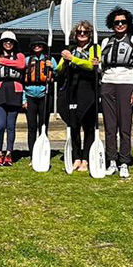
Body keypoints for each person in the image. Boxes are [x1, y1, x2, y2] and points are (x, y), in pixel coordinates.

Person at [99, 8, 133, 178]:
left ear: (128, 23)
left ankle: (124, 162)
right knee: (110, 127)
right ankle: (112, 161)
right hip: (108, 84)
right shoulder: (105, 42)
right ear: (112, 24)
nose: (119, 25)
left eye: (123, 22)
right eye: (116, 22)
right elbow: (101, 68)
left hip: (126, 84)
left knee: (125, 127)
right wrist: (97, 65)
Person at [58, 22, 101, 172]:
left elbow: (91, 65)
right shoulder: (71, 49)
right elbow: (59, 69)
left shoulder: (95, 48)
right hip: (72, 90)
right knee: (73, 125)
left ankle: (86, 159)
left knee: (88, 127)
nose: (81, 35)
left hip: (89, 91)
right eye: (79, 33)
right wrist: (64, 60)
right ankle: (76, 157)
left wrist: (73, 59)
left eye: (85, 32)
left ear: (89, 34)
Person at [0, 31, 26, 165]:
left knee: (11, 125)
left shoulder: (19, 56)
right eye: (6, 41)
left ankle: (9, 153)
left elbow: (21, 65)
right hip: (0, 91)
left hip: (14, 91)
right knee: (1, 125)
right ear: (2, 43)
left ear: (14, 44)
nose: (8, 43)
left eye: (10, 41)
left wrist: (1, 61)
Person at [22, 36, 56, 156]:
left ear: (43, 46)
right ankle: (32, 154)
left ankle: (43, 151)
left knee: (43, 125)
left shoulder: (50, 59)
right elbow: (21, 80)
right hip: (30, 96)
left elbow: (57, 74)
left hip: (44, 96)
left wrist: (52, 67)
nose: (37, 47)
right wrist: (23, 99)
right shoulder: (26, 60)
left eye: (39, 45)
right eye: (35, 45)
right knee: (31, 127)